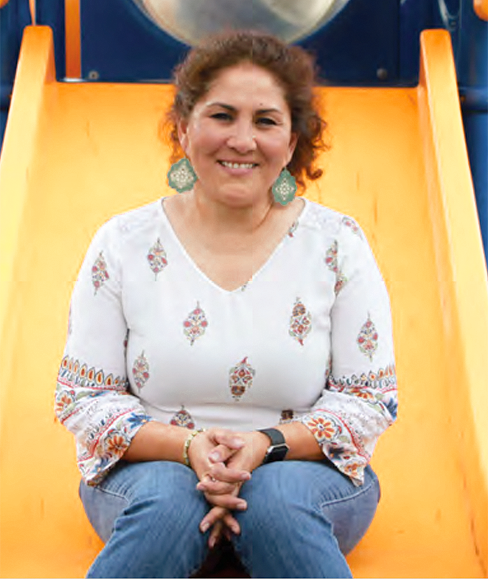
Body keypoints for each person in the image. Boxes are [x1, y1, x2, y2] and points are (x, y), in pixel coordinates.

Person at [55, 30, 398, 579]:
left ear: (290, 144)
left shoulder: (337, 245)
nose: (242, 139)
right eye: (222, 116)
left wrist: (265, 446)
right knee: (169, 503)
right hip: (151, 472)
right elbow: (84, 399)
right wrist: (188, 447)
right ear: (185, 128)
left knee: (278, 503)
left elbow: (369, 401)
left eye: (265, 121)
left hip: (303, 472)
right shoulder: (123, 243)